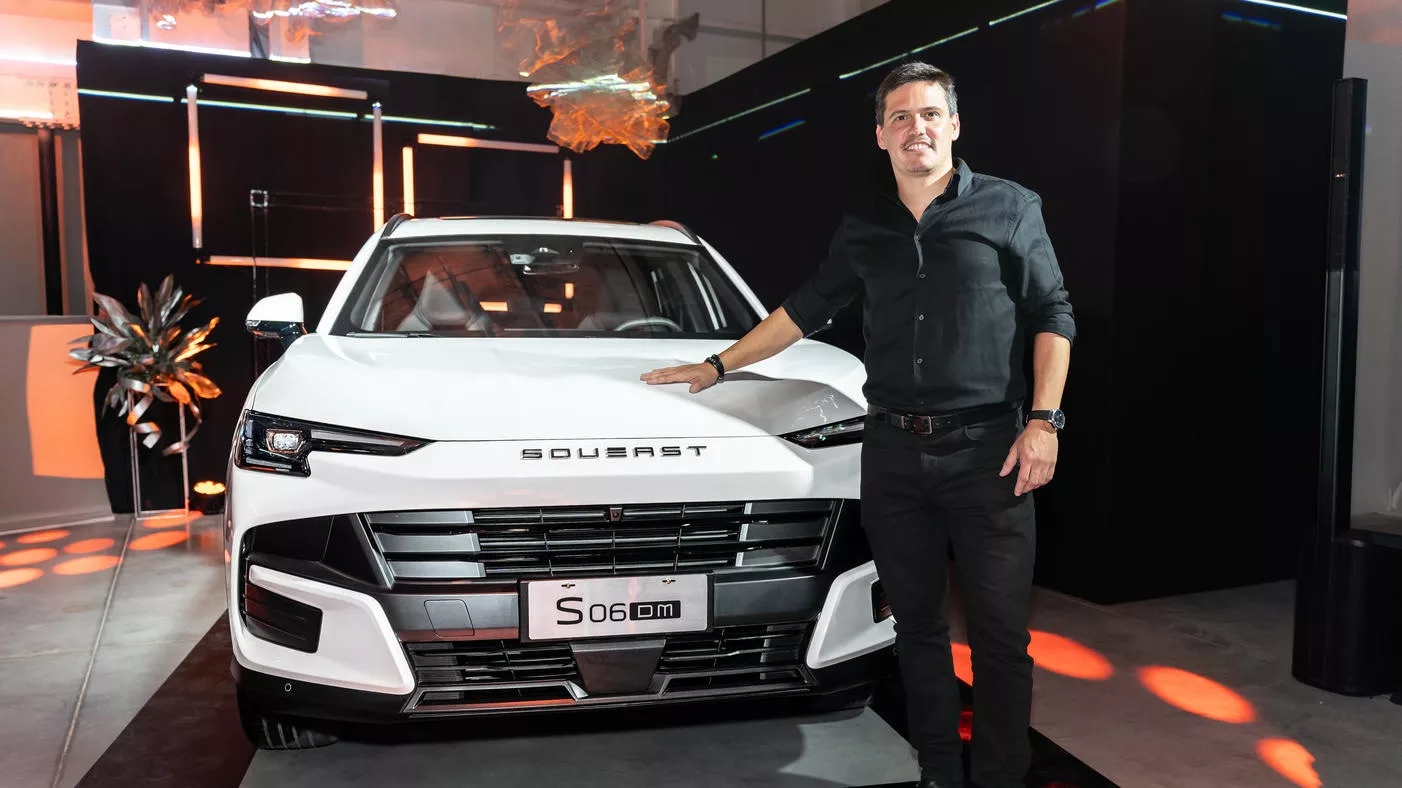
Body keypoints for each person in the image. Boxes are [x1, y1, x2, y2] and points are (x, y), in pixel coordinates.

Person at [641, 61, 1075, 788]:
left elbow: (1052, 313)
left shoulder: (1009, 207)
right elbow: (805, 308)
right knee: (917, 632)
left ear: (954, 125)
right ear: (881, 135)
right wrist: (717, 365)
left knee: (1000, 639)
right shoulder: (866, 223)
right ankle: (939, 772)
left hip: (990, 454)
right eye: (900, 116)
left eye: (930, 113)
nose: (916, 127)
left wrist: (1045, 421)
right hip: (895, 455)